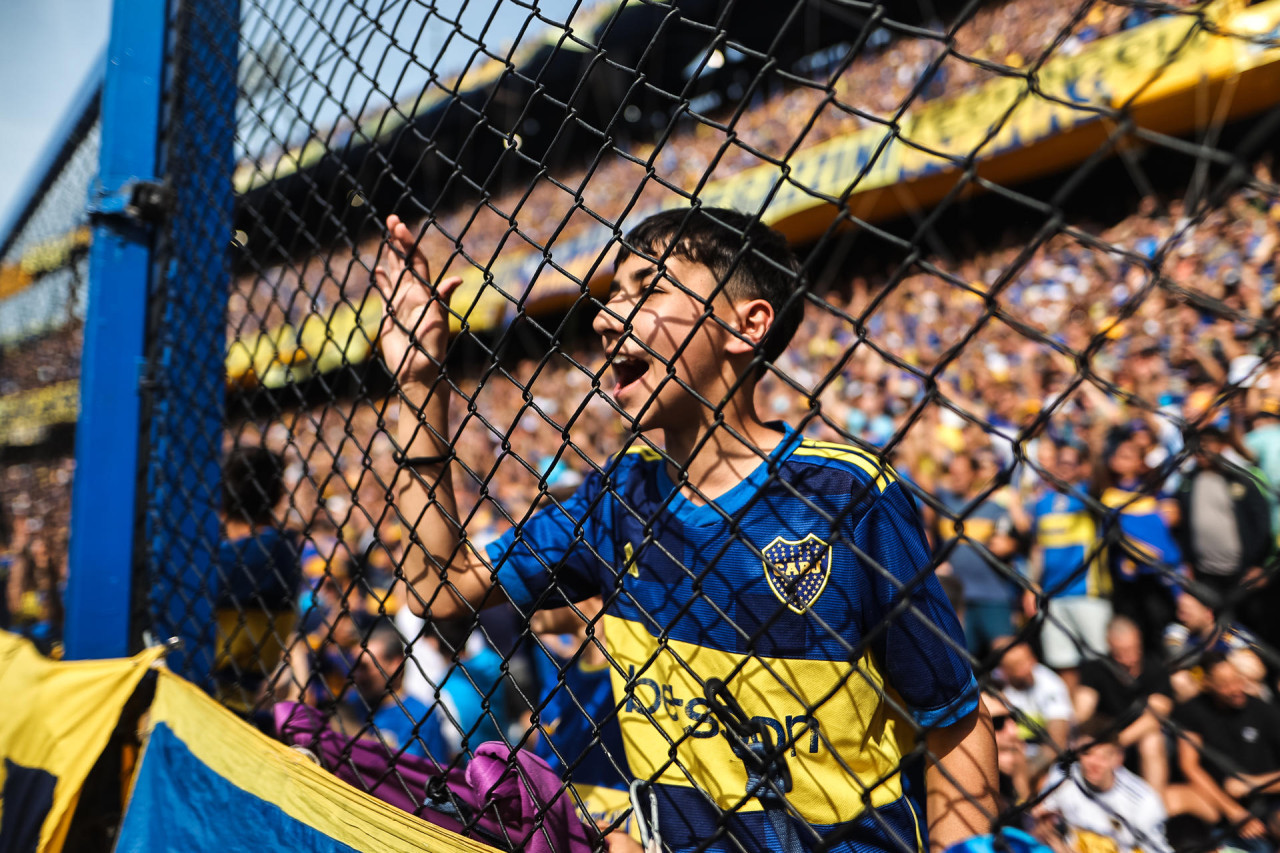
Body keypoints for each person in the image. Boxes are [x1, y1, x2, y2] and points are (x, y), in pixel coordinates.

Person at [375, 207, 998, 852]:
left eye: (650, 288)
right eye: (614, 292)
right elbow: (437, 591)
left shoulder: (847, 494)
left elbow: (955, 721)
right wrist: (421, 387)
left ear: (745, 325)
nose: (605, 317)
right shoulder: (617, 496)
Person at [215, 446, 303, 718]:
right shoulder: (280, 550)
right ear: (277, 496)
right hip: (236, 698)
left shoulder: (262, 553)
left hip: (223, 699)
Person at [1171, 653, 1280, 853]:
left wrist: (1252, 784)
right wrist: (1234, 811)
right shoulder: (1192, 711)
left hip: (1269, 802)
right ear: (1207, 683)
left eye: (1237, 680)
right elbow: (1189, 765)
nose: (1235, 689)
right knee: (1171, 798)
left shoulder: (1263, 711)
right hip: (1216, 802)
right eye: (1225, 684)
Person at [1025, 442, 1111, 692]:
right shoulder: (1043, 502)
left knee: (1098, 662)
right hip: (1052, 596)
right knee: (1063, 664)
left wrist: (1093, 445)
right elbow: (1038, 547)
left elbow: (1099, 477)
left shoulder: (1090, 496)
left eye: (1069, 463)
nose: (1063, 469)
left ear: (1082, 467)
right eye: (1059, 463)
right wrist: (1031, 584)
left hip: (1088, 593)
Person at [934, 452, 1025, 657]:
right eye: (952, 472)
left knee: (1005, 657)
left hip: (993, 595)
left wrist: (1012, 545)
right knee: (961, 658)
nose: (955, 478)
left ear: (975, 474)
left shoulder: (994, 509)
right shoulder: (943, 504)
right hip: (957, 601)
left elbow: (1019, 541)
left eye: (961, 473)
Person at [1034, 719, 1172, 853]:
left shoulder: (1143, 802)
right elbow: (1039, 828)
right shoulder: (1062, 776)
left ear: (1118, 759)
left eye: (1104, 756)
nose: (1094, 763)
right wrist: (1047, 828)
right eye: (1087, 753)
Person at [1072, 617, 1172, 792]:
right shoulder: (1096, 668)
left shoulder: (1155, 668)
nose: (1128, 658)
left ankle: (1155, 805)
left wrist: (1116, 742)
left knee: (1152, 741)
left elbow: (1157, 715)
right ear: (1110, 646)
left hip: (1138, 735)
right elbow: (1082, 710)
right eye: (1121, 652)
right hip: (1104, 734)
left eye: (1133, 649)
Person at [351, 623, 451, 763]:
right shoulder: (351, 705)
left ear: (395, 664)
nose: (357, 676)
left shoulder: (420, 716)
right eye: (355, 666)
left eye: (365, 667)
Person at [994, 640, 1073, 776]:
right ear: (1004, 671)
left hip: (1045, 760)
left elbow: (1056, 743)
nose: (1028, 668)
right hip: (1009, 753)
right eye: (1017, 666)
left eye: (1029, 660)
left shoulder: (1050, 685)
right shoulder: (995, 684)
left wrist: (1024, 775)